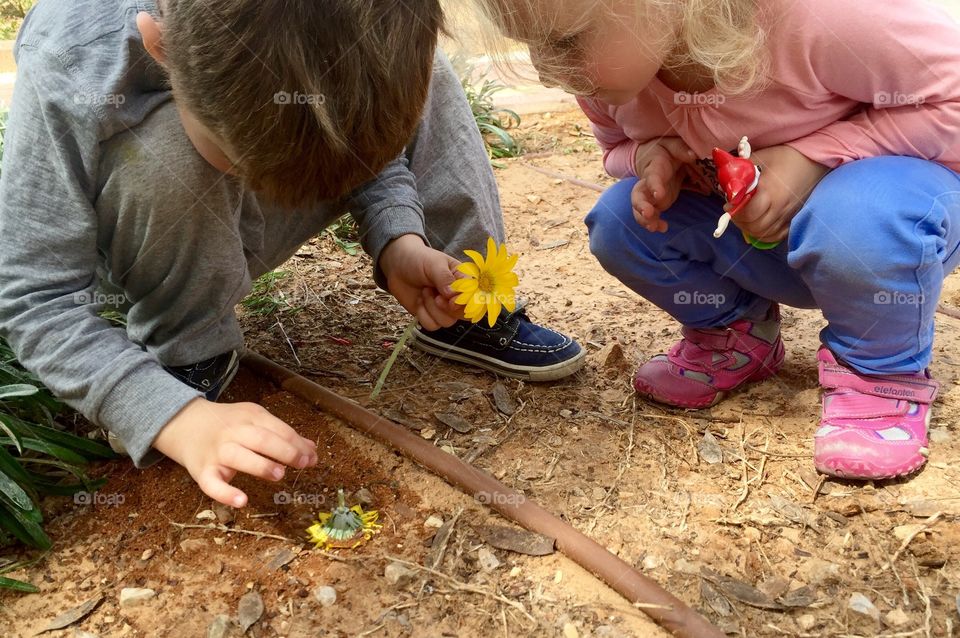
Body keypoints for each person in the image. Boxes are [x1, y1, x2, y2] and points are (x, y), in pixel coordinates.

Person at [0, 0, 585, 509]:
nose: (287, 198)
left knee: (422, 67)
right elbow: (33, 293)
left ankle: (470, 298)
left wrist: (398, 238)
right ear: (162, 46)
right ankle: (190, 350)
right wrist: (167, 415)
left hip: (286, 153)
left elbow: (356, 144)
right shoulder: (73, 55)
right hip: (156, 234)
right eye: (242, 162)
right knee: (167, 157)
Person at [476, 0, 960, 480]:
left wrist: (814, 157)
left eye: (564, 41)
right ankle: (736, 333)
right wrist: (649, 157)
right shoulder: (612, 82)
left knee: (859, 211)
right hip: (770, 246)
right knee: (620, 220)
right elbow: (616, 150)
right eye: (530, 45)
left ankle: (879, 374)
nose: (546, 72)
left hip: (893, 229)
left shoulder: (825, 16)